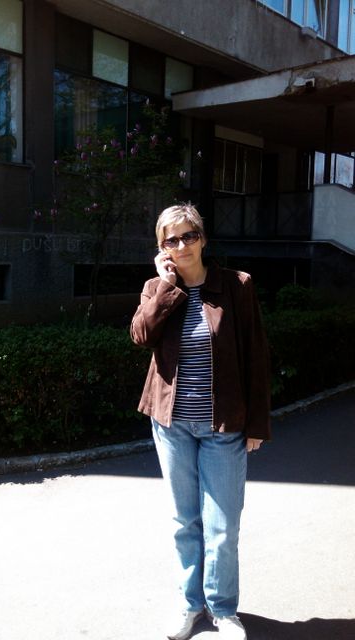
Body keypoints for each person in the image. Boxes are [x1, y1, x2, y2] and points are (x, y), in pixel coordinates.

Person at [130, 203, 271, 640]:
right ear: (162, 247)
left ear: (203, 238)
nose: (182, 245)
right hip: (171, 425)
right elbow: (141, 335)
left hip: (223, 426)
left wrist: (257, 425)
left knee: (222, 527)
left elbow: (256, 355)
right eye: (171, 239)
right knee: (184, 522)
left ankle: (223, 610)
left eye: (189, 235)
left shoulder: (236, 285)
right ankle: (190, 605)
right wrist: (166, 285)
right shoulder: (156, 287)